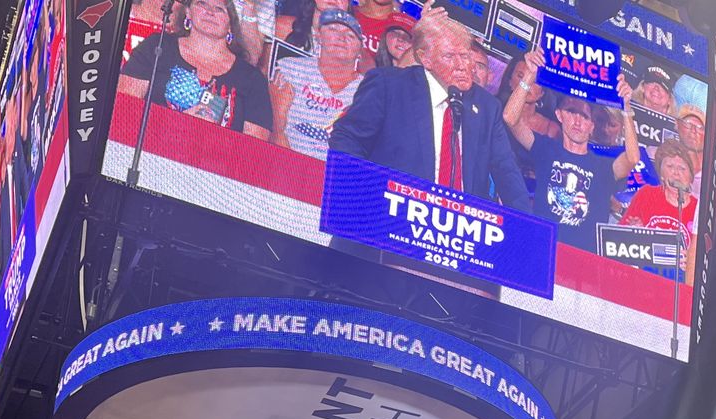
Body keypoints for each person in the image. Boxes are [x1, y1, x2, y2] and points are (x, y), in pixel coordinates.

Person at [329, 14, 531, 210]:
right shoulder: (389, 85)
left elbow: (507, 173)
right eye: (450, 56)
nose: (462, 66)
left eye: (465, 56)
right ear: (426, 59)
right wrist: (364, 196)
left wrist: (524, 227)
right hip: (390, 213)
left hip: (460, 224)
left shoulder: (487, 107)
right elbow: (347, 138)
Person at [503, 48, 641, 247]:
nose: (577, 121)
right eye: (571, 111)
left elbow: (633, 158)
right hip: (544, 246)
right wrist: (530, 75)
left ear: (592, 126)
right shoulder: (545, 149)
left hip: (584, 256)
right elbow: (510, 118)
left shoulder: (603, 166)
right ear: (559, 115)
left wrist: (626, 107)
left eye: (584, 116)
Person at [120, 0, 274, 139]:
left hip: (216, 159)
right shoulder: (157, 46)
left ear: (231, 25)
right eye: (202, 3)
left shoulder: (252, 79)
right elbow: (124, 109)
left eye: (219, 9)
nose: (210, 12)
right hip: (149, 148)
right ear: (188, 12)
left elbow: (254, 149)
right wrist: (175, 122)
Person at [270, 8, 364, 156]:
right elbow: (276, 129)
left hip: (335, 169)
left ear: (360, 50)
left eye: (351, 35)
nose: (342, 38)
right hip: (285, 161)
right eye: (333, 30)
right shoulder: (291, 68)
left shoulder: (366, 90)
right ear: (318, 36)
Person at [618, 138, 698, 277]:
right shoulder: (647, 194)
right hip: (643, 274)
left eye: (682, 168)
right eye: (670, 166)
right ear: (661, 175)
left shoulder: (698, 209)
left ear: (691, 177)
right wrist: (634, 233)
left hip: (679, 279)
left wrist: (692, 262)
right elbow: (618, 241)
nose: (676, 172)